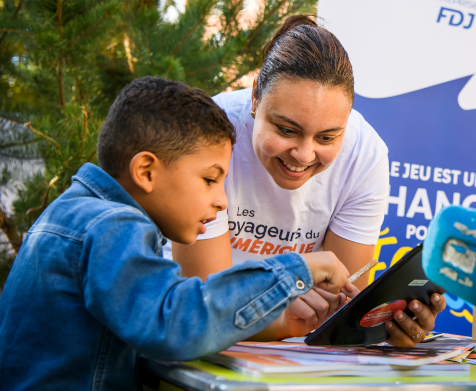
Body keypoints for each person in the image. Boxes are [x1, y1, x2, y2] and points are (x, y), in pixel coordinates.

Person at [0, 77, 351, 390]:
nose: (221, 201)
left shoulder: (76, 211)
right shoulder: (111, 225)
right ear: (146, 171)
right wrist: (296, 270)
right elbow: (172, 323)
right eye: (210, 179)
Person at [171, 15, 445, 346]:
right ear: (256, 96)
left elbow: (337, 313)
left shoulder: (365, 155)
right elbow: (204, 311)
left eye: (327, 138)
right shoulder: (211, 133)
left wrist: (385, 325)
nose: (303, 154)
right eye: (286, 130)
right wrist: (285, 315)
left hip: (295, 353)